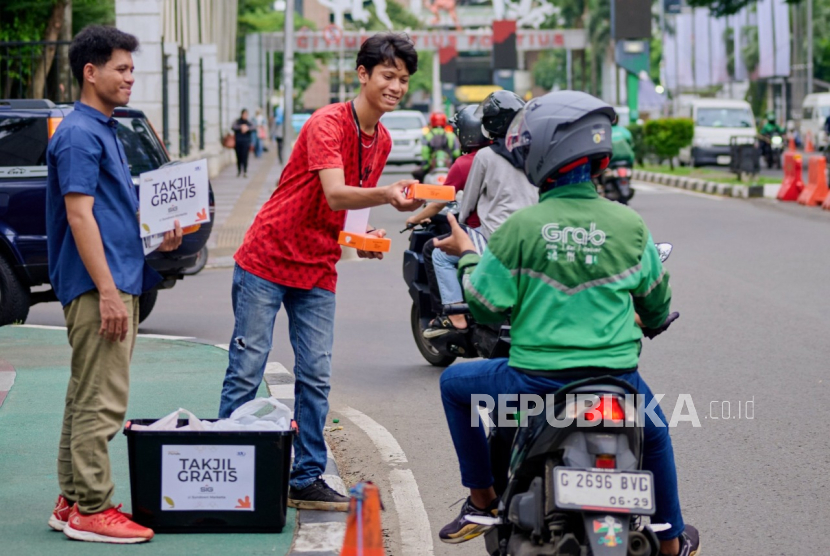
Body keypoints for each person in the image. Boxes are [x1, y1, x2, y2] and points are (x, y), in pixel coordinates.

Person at [432, 91, 699, 556]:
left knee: (455, 385)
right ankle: (671, 539)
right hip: (618, 384)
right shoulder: (630, 225)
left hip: (533, 385)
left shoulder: (521, 228)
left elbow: (484, 306)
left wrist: (469, 257)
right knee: (655, 434)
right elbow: (656, 306)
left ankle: (482, 500)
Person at [217, 33, 422, 512]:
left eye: (404, 80)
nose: (396, 86)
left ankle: (306, 476)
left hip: (318, 266)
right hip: (267, 256)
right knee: (247, 368)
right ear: (363, 74)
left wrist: (363, 236)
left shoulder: (383, 139)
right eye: (388, 76)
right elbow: (335, 192)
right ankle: (228, 468)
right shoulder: (327, 123)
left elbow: (349, 210)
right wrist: (388, 195)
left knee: (316, 373)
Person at [45, 25, 183, 544]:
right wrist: (106, 291)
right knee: (102, 399)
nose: (130, 77)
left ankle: (72, 498)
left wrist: (156, 239)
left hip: (112, 276)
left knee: (84, 395)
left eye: (131, 68)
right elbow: (80, 217)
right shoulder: (82, 133)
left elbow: (109, 214)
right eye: (121, 68)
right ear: (91, 72)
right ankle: (92, 507)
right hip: (97, 283)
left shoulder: (102, 128)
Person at [424, 91, 536, 337]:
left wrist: (460, 225)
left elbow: (468, 203)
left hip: (496, 239)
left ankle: (456, 316)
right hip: (532, 238)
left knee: (440, 255)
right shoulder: (531, 153)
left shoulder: (484, 156)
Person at [412, 111, 460, 182]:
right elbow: (456, 153)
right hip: (449, 167)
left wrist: (426, 166)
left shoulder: (427, 135)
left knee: (416, 174)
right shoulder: (451, 135)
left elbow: (425, 153)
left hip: (432, 167)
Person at [233, 109, 254, 177]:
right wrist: (241, 127)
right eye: (244, 114)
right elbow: (233, 127)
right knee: (239, 157)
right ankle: (239, 170)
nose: (245, 116)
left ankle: (245, 171)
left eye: (246, 114)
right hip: (238, 141)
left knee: (245, 156)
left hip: (246, 142)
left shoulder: (248, 122)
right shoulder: (237, 121)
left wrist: (247, 128)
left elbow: (254, 127)